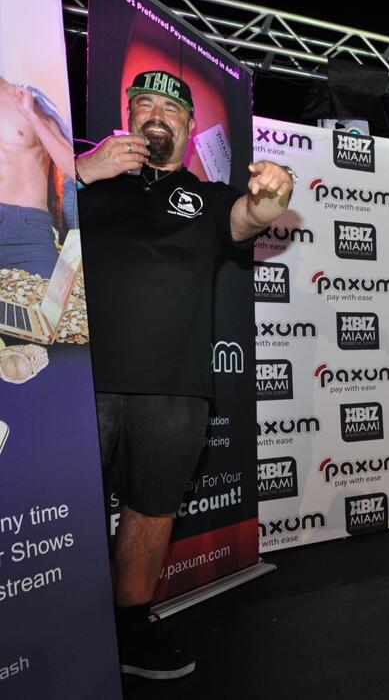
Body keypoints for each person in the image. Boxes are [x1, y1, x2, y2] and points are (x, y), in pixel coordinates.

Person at [74, 70, 295, 680]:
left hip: (175, 388)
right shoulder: (82, 179)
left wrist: (277, 189)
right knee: (65, 506)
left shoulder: (206, 196)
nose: (155, 113)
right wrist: (81, 172)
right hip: (78, 382)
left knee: (151, 510)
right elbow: (20, 210)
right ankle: (55, 629)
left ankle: (129, 629)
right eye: (143, 102)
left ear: (190, 126)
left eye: (170, 107)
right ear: (127, 116)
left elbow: (253, 216)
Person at [0, 74, 76, 276]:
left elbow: (73, 169)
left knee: (50, 294)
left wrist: (31, 116)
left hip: (25, 231)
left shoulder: (29, 100)